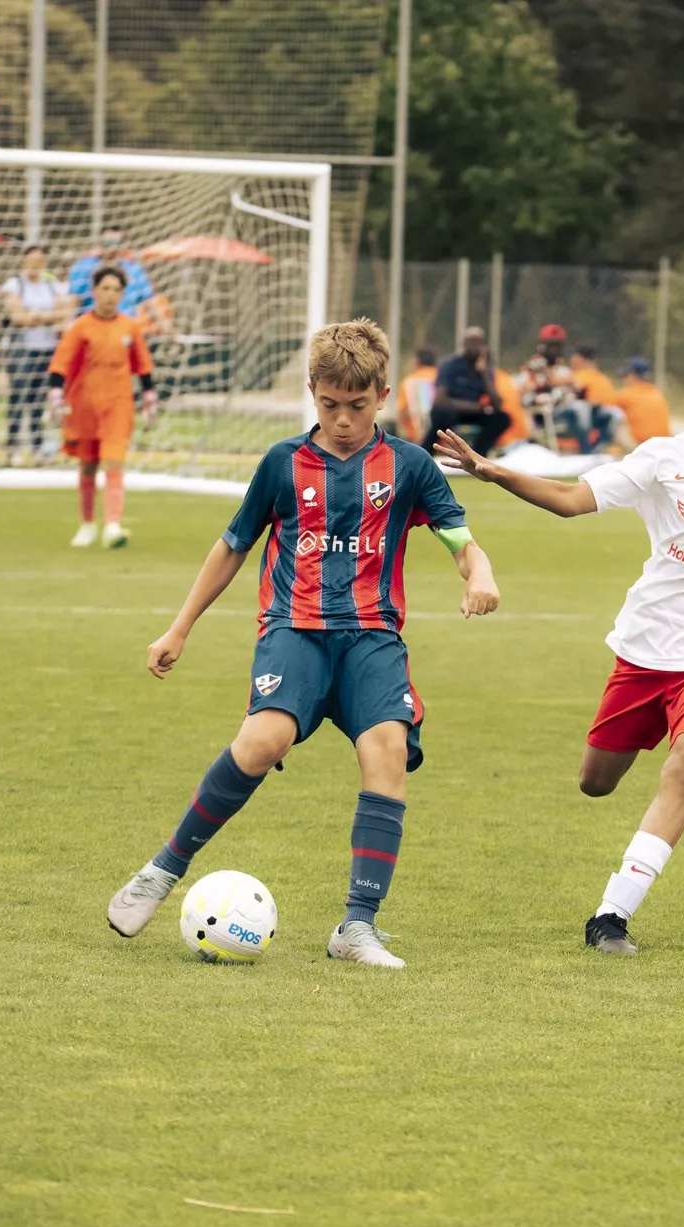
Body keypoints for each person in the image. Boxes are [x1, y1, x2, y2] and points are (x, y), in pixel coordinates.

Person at [105, 318, 500, 970]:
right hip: (294, 628)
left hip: (372, 637)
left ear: (382, 395)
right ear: (312, 392)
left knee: (387, 750)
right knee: (264, 740)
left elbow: (462, 542)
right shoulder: (282, 463)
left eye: (358, 405)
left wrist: (479, 573)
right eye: (330, 403)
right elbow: (233, 545)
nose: (342, 419)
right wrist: (180, 627)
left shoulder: (408, 465)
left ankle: (357, 926)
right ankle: (161, 870)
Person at [431, 336, 684, 955]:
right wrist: (493, 470)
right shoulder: (661, 458)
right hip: (646, 648)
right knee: (595, 782)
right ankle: (643, 741)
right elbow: (571, 501)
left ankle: (612, 915)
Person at [48, 266, 158, 549]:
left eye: (116, 290)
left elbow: (143, 366)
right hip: (84, 406)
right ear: (95, 291)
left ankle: (112, 526)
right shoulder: (81, 326)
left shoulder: (130, 327)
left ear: (123, 294)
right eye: (106, 288)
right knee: (88, 466)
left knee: (114, 462)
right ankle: (87, 525)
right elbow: (61, 363)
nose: (111, 295)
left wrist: (149, 399)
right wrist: (56, 395)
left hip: (118, 405)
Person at [0, 244, 72, 465]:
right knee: (18, 398)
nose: (36, 265)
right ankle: (13, 448)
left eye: (40, 261)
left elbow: (63, 313)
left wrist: (37, 316)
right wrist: (43, 317)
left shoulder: (51, 285)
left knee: (38, 400)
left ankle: (37, 448)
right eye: (32, 260)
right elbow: (17, 316)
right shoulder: (15, 284)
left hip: (46, 349)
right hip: (21, 350)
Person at [66, 227, 173, 334]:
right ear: (100, 245)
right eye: (108, 243)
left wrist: (168, 330)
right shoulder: (85, 268)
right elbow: (73, 300)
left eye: (117, 243)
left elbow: (150, 300)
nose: (113, 248)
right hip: (92, 330)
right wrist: (67, 327)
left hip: (125, 331)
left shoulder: (133, 269)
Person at [425, 327, 510, 456]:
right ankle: (426, 451)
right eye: (471, 342)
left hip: (474, 415)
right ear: (464, 344)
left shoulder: (485, 370)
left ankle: (477, 455)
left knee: (502, 418)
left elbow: (498, 404)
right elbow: (440, 400)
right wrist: (476, 407)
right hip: (452, 411)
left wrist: (484, 374)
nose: (474, 347)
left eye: (478, 343)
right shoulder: (450, 366)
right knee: (441, 413)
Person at [518, 323, 583, 450]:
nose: (554, 350)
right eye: (551, 345)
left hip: (562, 413)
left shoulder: (564, 371)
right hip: (538, 416)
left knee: (583, 408)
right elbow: (521, 394)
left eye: (558, 345)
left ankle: (588, 449)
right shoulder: (530, 371)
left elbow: (576, 389)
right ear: (541, 346)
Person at [569, 345, 625, 451]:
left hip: (591, 425)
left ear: (580, 359)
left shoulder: (581, 375)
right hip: (608, 428)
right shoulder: (604, 379)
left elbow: (572, 395)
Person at [615, 358, 673, 445]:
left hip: (643, 445)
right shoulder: (656, 392)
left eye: (625, 375)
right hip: (665, 443)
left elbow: (603, 404)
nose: (624, 379)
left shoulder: (627, 394)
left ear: (632, 375)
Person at [394, 347, 436, 444]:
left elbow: (401, 414)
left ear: (416, 361)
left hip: (416, 440)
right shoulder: (442, 379)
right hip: (443, 440)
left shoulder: (408, 382)